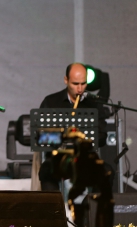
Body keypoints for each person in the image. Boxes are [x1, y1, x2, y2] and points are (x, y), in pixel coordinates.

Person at [38, 62, 110, 191]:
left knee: (106, 172)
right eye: (75, 84)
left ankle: (92, 203)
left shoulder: (94, 103)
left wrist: (83, 138)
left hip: (85, 158)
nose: (80, 89)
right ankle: (53, 204)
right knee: (46, 172)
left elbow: (102, 135)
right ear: (66, 80)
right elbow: (41, 135)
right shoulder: (51, 102)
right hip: (58, 158)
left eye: (83, 83)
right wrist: (65, 137)